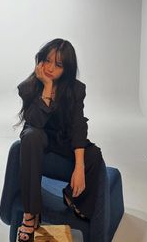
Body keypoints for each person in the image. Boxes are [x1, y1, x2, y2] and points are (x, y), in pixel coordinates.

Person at [17, 38, 103, 242]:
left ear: (67, 68)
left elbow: (78, 125)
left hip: (62, 138)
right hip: (39, 137)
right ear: (40, 60)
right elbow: (35, 122)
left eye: (58, 64)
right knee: (31, 136)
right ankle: (30, 214)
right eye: (47, 60)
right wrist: (47, 87)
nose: (50, 68)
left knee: (93, 154)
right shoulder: (28, 87)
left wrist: (80, 166)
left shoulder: (76, 89)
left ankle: (70, 197)